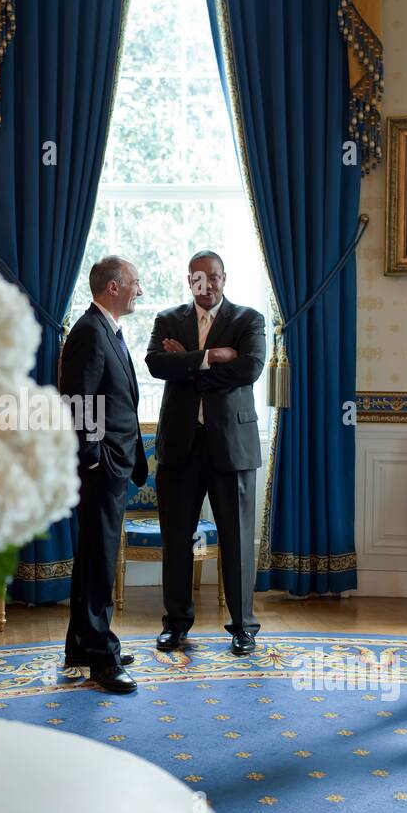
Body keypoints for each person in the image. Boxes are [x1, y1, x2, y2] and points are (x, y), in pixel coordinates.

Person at [146, 250, 265, 656]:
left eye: (213, 277)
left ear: (224, 278)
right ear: (189, 282)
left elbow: (249, 369)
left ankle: (243, 628)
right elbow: (156, 365)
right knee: (177, 540)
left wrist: (188, 363)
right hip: (180, 447)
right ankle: (175, 625)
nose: (207, 284)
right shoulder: (167, 319)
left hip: (232, 447)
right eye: (199, 278)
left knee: (236, 540)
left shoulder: (248, 319)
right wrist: (212, 357)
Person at [58, 256, 149, 694]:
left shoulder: (106, 330)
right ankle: (100, 656)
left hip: (112, 464)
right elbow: (80, 401)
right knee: (98, 560)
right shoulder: (89, 333)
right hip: (102, 467)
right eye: (134, 282)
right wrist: (94, 458)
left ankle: (80, 645)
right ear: (113, 287)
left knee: (95, 555)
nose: (139, 289)